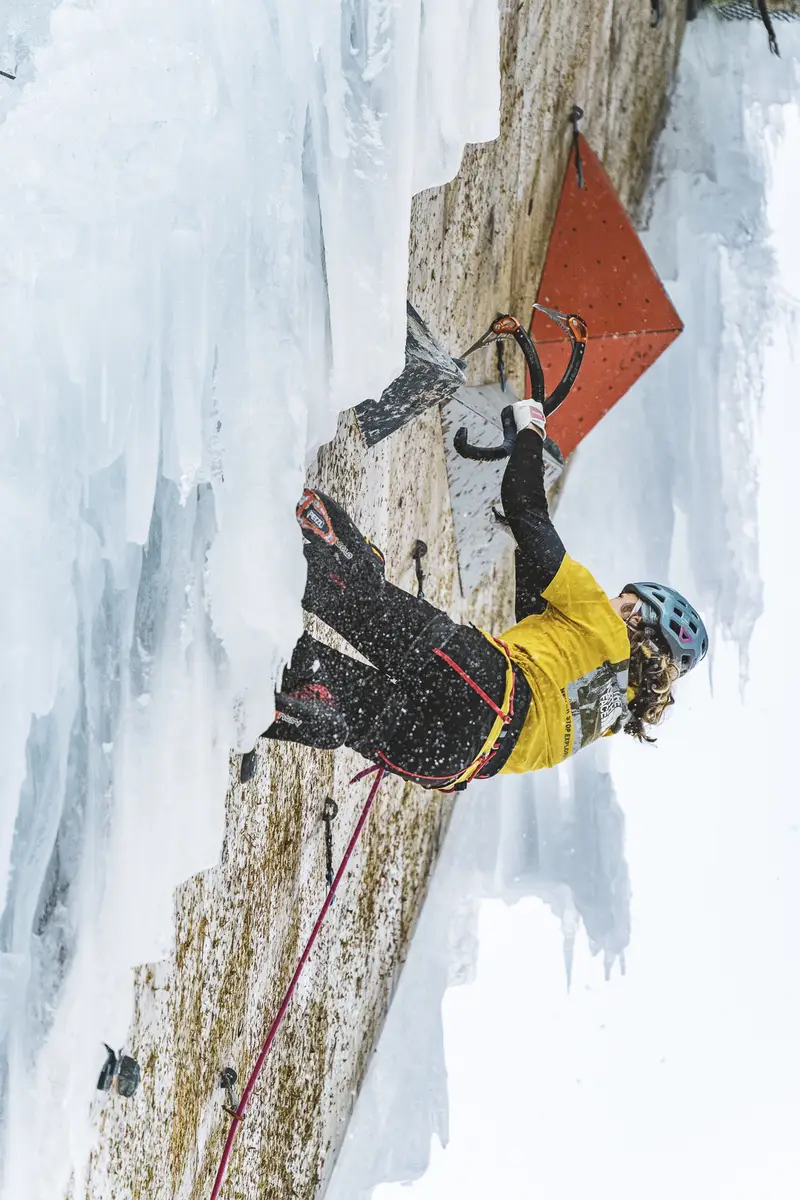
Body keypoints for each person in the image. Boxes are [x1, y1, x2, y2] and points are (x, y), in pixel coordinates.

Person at [260, 396, 708, 790]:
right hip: (452, 760)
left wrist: (530, 431)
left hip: (482, 683)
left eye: (624, 601)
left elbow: (526, 510)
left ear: (635, 619)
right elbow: (534, 614)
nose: (614, 600)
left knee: (360, 597)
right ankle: (287, 688)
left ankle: (275, 536)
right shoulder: (606, 716)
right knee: (335, 697)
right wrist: (522, 504)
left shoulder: (604, 625)